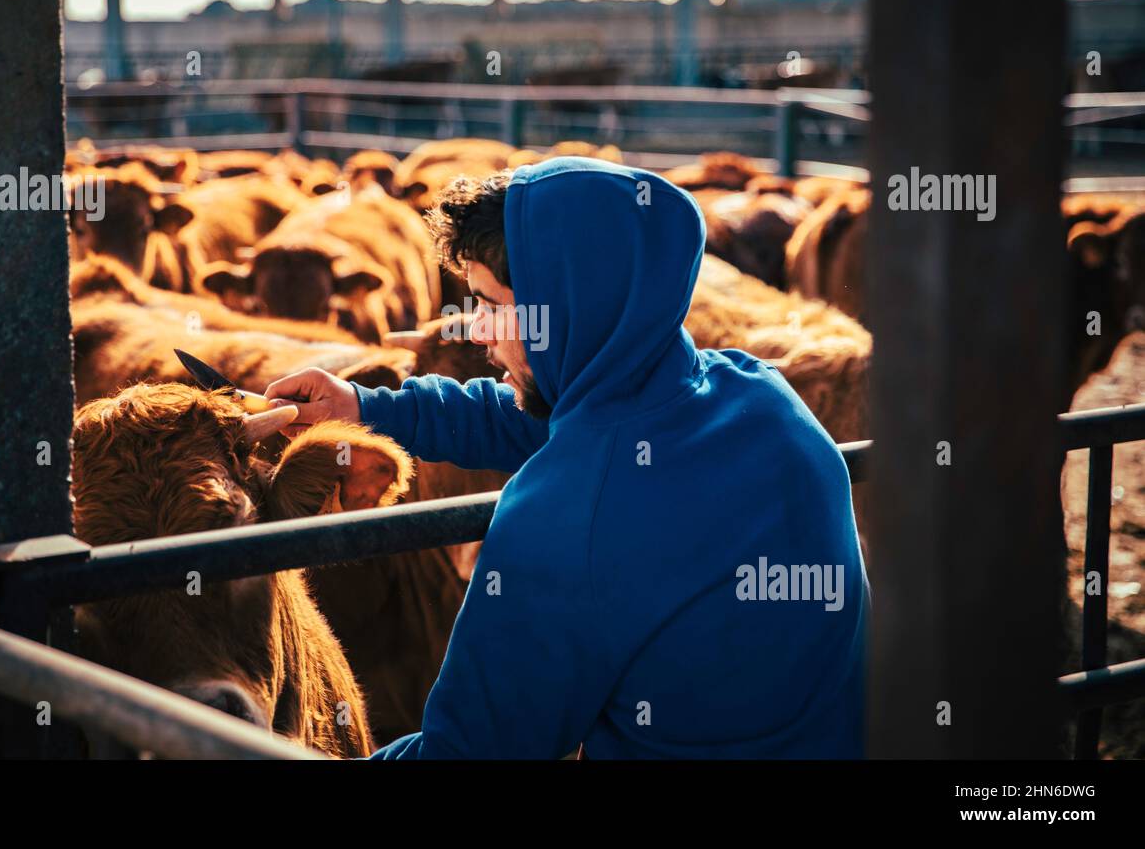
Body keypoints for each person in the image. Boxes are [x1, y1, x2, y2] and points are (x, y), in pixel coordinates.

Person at [265, 157, 869, 758]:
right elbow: (573, 419)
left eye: (489, 304)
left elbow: (470, 754)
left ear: (567, 308)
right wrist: (365, 409)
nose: (475, 332)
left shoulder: (563, 521)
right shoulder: (757, 396)